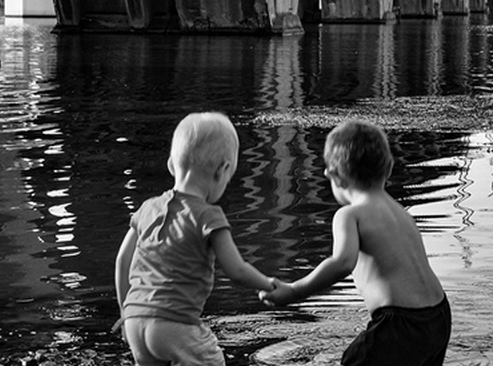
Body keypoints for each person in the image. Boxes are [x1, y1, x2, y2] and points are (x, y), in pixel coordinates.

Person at [260, 120, 450, 365]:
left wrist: (294, 291)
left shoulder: (350, 215)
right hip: (438, 316)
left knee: (355, 360)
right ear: (389, 168)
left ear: (334, 176)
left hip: (401, 322)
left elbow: (342, 262)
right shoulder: (401, 213)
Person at [114, 112, 275, 366]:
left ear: (170, 164)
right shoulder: (209, 216)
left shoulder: (148, 208)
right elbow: (237, 270)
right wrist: (269, 285)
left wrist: (125, 312)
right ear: (223, 170)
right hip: (175, 324)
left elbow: (123, 259)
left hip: (135, 321)